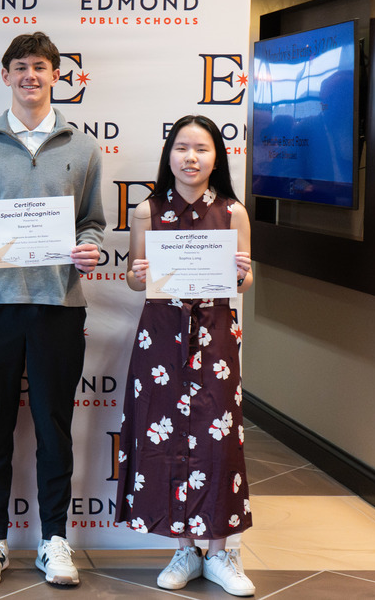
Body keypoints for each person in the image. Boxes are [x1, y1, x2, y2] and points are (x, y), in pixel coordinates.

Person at [0, 32, 105, 587]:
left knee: (53, 426)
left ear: (55, 75)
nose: (30, 76)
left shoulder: (83, 149)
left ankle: (53, 539)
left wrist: (90, 247)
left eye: (40, 66)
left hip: (58, 307)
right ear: (6, 75)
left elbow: (93, 222)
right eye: (20, 67)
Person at [115, 115, 256, 597]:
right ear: (168, 155)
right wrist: (137, 272)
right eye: (181, 148)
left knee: (218, 441)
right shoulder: (146, 209)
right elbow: (137, 281)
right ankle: (184, 547)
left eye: (201, 149)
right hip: (161, 337)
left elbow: (245, 280)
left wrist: (242, 272)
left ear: (217, 156)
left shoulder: (234, 211)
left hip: (215, 337)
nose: (191, 158)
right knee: (166, 437)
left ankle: (221, 551)